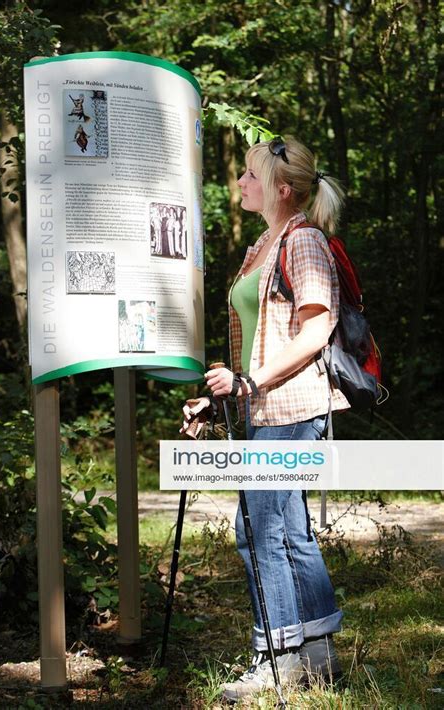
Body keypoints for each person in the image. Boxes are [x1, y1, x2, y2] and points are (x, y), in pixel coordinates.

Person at [181, 136, 350, 702]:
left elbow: (314, 329)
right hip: (264, 405)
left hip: (292, 407)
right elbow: (259, 334)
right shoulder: (261, 243)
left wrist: (250, 383)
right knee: (290, 529)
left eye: (250, 175)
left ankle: (276, 659)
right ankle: (318, 650)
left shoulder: (302, 241)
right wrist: (223, 394)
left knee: (257, 531)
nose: (240, 183)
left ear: (281, 189)